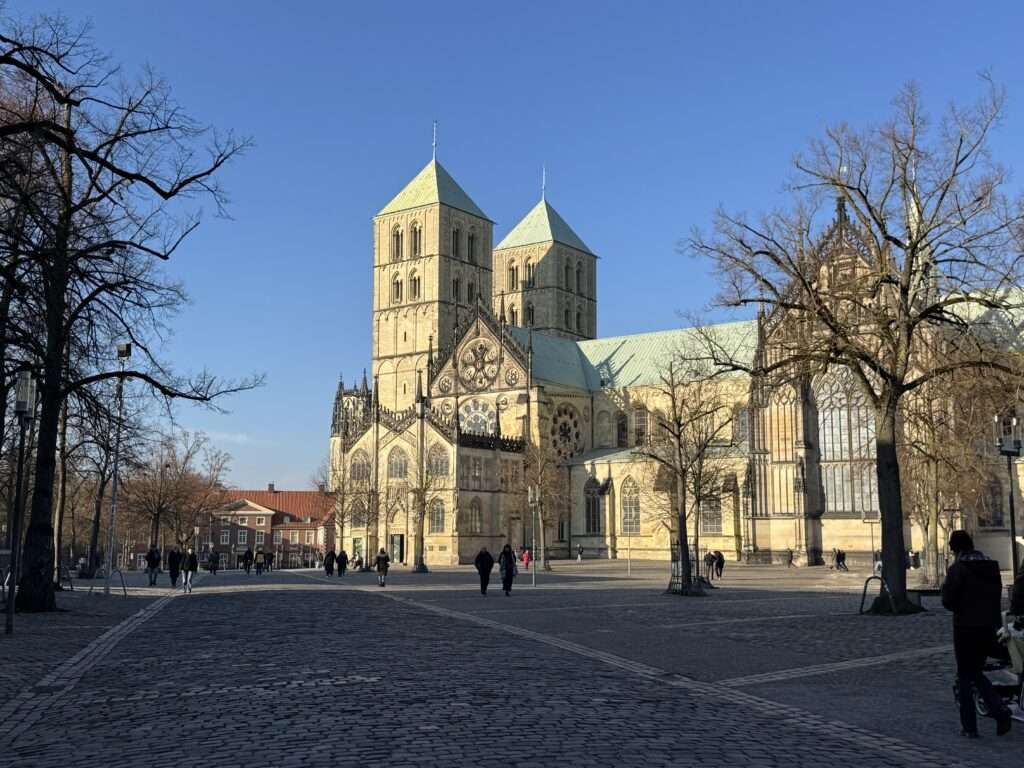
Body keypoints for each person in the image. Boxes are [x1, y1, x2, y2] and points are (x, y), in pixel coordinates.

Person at [940, 530, 1012, 738]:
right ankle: (998, 709)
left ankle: (972, 725)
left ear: (955, 549)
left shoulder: (958, 569)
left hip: (965, 628)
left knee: (965, 675)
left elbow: (948, 601)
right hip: (989, 626)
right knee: (975, 672)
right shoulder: (991, 566)